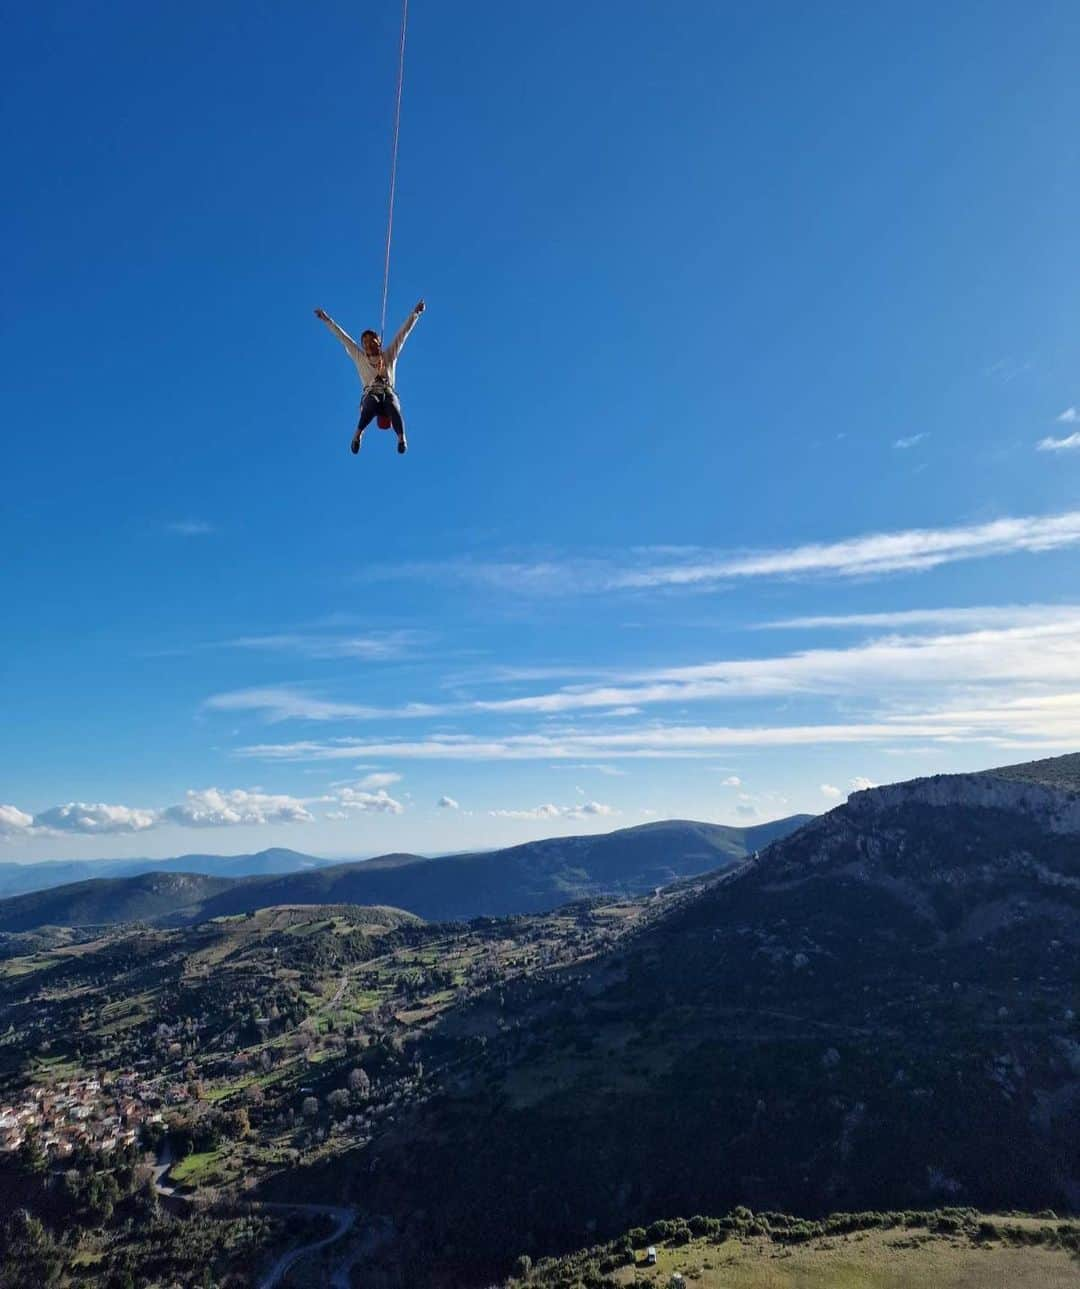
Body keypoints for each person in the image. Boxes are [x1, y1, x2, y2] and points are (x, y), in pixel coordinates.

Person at [314, 300, 425, 455]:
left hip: (387, 394)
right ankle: (357, 435)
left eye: (371, 339)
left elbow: (402, 335)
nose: (367, 343)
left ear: (378, 342)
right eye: (364, 342)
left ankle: (401, 439)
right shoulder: (360, 358)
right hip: (371, 394)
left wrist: (415, 314)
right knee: (372, 402)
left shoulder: (389, 355)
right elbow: (343, 338)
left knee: (392, 403)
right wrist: (327, 320)